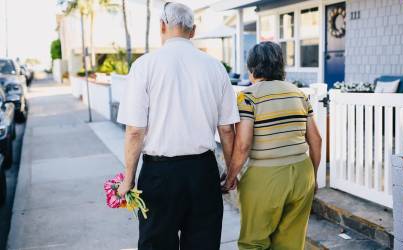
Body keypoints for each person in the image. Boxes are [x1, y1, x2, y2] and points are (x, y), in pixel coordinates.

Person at [116, 2, 239, 250]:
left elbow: (135, 131)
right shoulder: (215, 67)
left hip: (159, 175)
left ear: (162, 26)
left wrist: (128, 179)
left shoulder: (144, 66)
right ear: (193, 31)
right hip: (202, 172)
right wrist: (230, 172)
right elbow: (227, 129)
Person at [223, 41, 322, 250]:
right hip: (303, 174)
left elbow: (243, 145)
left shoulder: (249, 96)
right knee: (290, 244)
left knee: (253, 243)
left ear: (252, 68)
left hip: (266, 177)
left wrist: (231, 177)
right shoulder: (298, 93)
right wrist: (313, 175)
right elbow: (316, 140)